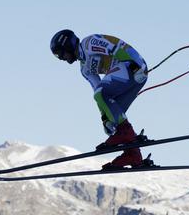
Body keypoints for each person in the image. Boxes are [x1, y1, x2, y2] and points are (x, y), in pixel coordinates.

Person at [50, 29, 148, 168]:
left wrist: (133, 67)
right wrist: (104, 118)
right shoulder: (84, 69)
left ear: (69, 45)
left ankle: (125, 134)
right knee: (113, 117)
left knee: (104, 99)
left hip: (131, 65)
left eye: (62, 54)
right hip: (130, 74)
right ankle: (133, 155)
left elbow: (113, 48)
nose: (62, 59)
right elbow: (97, 92)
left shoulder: (88, 43)